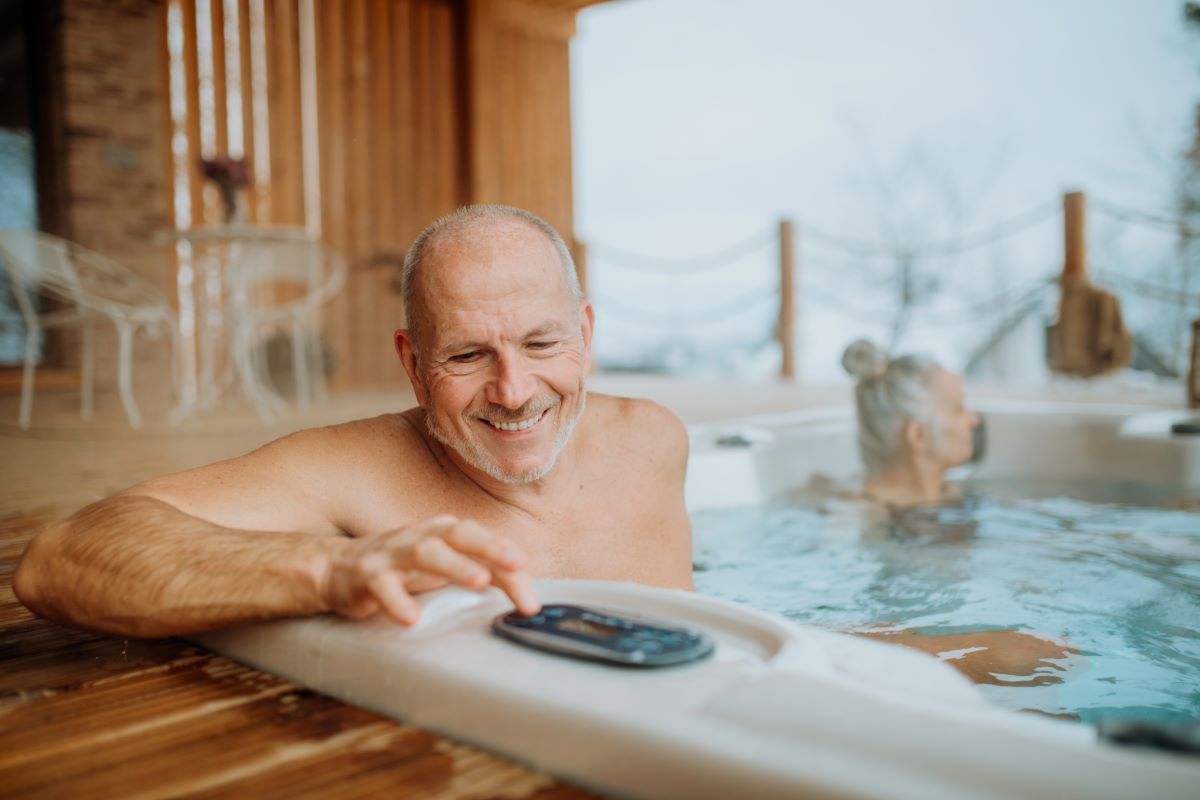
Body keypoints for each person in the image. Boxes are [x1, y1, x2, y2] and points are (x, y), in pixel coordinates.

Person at [13, 205, 693, 638]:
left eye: (542, 344)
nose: (514, 391)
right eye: (467, 354)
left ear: (586, 331)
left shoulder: (655, 441)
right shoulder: (350, 472)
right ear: (414, 363)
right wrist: (331, 565)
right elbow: (58, 560)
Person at [841, 339, 981, 508]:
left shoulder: (951, 495)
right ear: (918, 435)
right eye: (957, 409)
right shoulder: (859, 517)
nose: (974, 420)